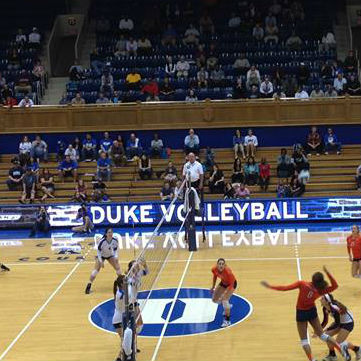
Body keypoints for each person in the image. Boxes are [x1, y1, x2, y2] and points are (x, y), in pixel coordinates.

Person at [261, 266, 349, 361]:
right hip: (312, 311)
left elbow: (285, 288)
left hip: (301, 313)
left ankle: (312, 360)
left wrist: (270, 286)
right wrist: (328, 273)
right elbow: (335, 286)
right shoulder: (321, 290)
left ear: (312, 279)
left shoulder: (302, 284)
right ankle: (340, 349)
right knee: (323, 335)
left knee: (304, 341)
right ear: (321, 281)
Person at [319, 294, 361, 361]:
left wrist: (327, 329)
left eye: (323, 298)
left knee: (338, 343)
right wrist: (319, 330)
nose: (320, 298)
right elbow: (325, 321)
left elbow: (337, 323)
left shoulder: (335, 308)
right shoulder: (325, 308)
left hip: (348, 323)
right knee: (327, 336)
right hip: (340, 322)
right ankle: (332, 355)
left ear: (327, 301)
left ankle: (357, 349)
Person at [85, 227, 121, 294]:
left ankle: (121, 284)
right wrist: (101, 261)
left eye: (111, 232)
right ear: (106, 234)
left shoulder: (115, 240)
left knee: (117, 268)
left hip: (110, 256)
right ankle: (88, 287)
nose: (110, 234)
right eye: (109, 232)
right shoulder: (102, 241)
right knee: (95, 271)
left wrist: (116, 257)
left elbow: (116, 249)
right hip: (101, 256)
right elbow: (98, 251)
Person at [210, 258, 237, 327]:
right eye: (219, 264)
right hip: (223, 283)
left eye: (222, 264)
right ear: (217, 265)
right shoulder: (214, 269)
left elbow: (231, 284)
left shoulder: (228, 272)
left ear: (225, 265)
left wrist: (225, 294)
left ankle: (227, 321)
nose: (221, 265)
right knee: (214, 299)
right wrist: (213, 286)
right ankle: (227, 306)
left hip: (232, 284)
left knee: (224, 300)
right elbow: (215, 276)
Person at [112, 274, 126, 361]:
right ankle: (119, 357)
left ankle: (121, 356)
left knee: (125, 338)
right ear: (121, 284)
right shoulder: (120, 293)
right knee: (124, 339)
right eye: (125, 281)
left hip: (121, 318)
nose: (127, 282)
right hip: (118, 320)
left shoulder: (120, 291)